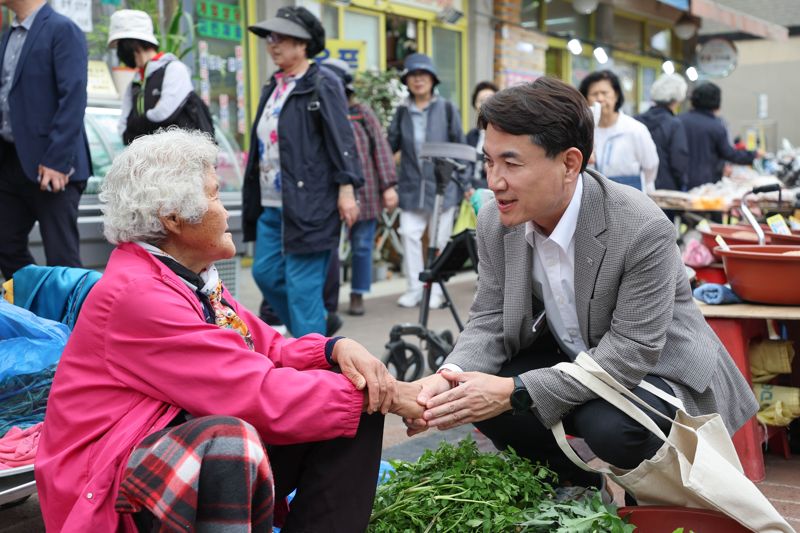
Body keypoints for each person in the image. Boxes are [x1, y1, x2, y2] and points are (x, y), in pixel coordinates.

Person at [35, 129, 423, 532]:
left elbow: (265, 346)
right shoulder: (138, 294)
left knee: (350, 399)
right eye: (215, 195)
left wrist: (334, 349)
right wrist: (391, 395)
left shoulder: (188, 277)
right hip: (106, 479)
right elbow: (252, 393)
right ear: (173, 218)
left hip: (156, 445)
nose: (226, 211)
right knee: (229, 442)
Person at [404, 78, 758, 498]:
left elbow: (631, 354)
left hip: (660, 367)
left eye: (511, 164)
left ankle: (653, 501)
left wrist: (517, 391)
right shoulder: (495, 220)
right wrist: (450, 377)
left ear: (570, 163)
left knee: (608, 425)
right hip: (579, 354)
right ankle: (577, 485)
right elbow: (491, 317)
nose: (494, 181)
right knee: (478, 388)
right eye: (489, 161)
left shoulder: (640, 226)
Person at [243, 7, 362, 337]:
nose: (273, 44)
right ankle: (316, 339)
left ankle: (315, 367)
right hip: (271, 202)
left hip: (311, 202)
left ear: (304, 44)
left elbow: (342, 139)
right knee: (265, 273)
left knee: (302, 287)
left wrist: (347, 188)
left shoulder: (323, 83)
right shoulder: (274, 85)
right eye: (270, 37)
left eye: (281, 38)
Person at [0, 0, 91, 280]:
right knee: (5, 244)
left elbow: (73, 98)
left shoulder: (63, 30)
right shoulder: (7, 37)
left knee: (62, 258)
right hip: (10, 163)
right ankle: (33, 311)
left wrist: (57, 160)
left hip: (52, 166)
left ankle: (70, 322)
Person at [389, 53, 469, 309]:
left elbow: (460, 147)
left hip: (442, 187)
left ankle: (434, 291)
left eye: (423, 75)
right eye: (413, 76)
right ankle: (414, 288)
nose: (418, 80)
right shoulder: (402, 111)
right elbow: (390, 146)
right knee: (409, 235)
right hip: (411, 185)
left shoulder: (446, 108)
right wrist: (387, 183)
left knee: (439, 241)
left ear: (433, 79)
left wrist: (463, 182)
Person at [322, 58, 399, 316]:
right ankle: (327, 298)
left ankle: (357, 294)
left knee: (362, 246)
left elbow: (381, 149)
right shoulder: (319, 110)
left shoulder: (362, 113)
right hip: (328, 191)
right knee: (328, 247)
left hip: (365, 189)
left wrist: (388, 185)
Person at [107, 9, 213, 145]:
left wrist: (135, 125)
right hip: (148, 160)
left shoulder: (173, 69)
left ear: (131, 44)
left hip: (180, 159)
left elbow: (163, 114)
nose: (120, 53)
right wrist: (147, 121)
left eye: (120, 46)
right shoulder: (135, 82)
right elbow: (123, 131)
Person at [579, 70, 659, 191]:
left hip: (630, 195)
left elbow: (650, 167)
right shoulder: (584, 131)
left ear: (616, 95)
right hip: (594, 195)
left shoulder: (635, 129)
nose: (600, 98)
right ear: (586, 99)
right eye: (594, 94)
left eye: (605, 93)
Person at [679, 82, 757, 190]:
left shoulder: (678, 121)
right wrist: (753, 155)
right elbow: (728, 153)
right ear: (716, 102)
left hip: (680, 182)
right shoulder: (717, 125)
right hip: (707, 184)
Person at [635, 73, 689, 192]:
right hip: (666, 190)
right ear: (677, 100)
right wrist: (683, 183)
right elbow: (678, 160)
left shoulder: (635, 121)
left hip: (638, 187)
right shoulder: (674, 124)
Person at [466, 80, 499, 190]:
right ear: (475, 105)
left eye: (490, 99)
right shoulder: (471, 136)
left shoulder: (504, 136)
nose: (485, 104)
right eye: (481, 101)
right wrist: (467, 188)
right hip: (471, 194)